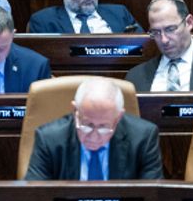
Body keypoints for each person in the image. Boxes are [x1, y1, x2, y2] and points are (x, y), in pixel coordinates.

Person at [24, 77, 163, 181]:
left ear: (119, 117)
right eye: (87, 125)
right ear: (75, 111)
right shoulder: (49, 139)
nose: (94, 137)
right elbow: (34, 199)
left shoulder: (143, 138)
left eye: (104, 127)